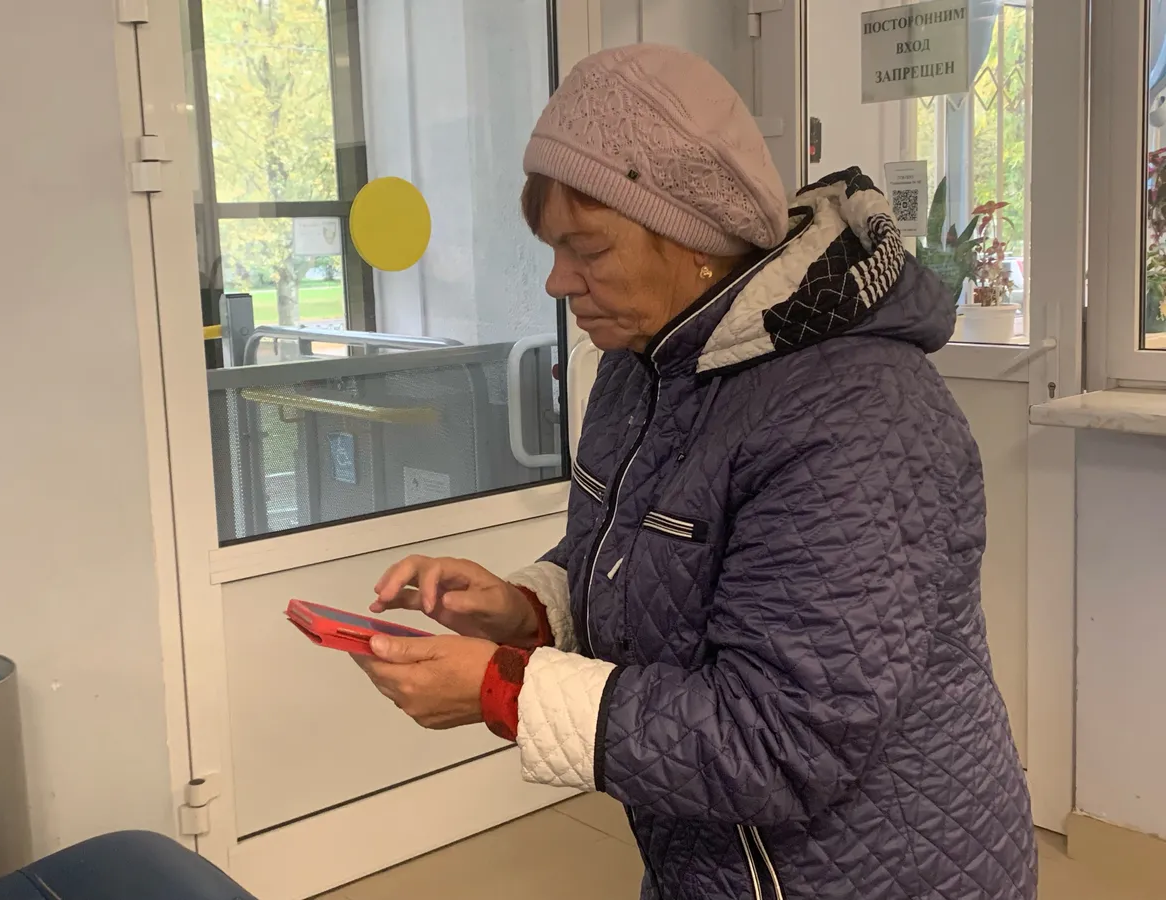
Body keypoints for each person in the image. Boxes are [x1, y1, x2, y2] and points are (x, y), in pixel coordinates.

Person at [356, 44, 1037, 900]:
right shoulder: (642, 362)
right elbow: (651, 568)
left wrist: (507, 691)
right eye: (552, 248)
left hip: (882, 874)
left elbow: (782, 740)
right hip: (716, 865)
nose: (558, 281)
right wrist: (529, 609)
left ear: (694, 240)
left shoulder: (857, 414)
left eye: (587, 249)